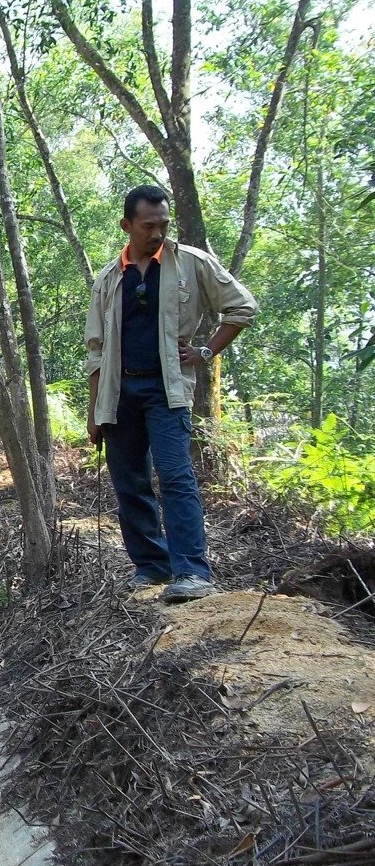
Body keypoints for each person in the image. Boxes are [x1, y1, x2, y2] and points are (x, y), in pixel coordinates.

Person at [85, 184, 258, 603]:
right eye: (148, 226)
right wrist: (94, 412)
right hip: (119, 391)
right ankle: (152, 566)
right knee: (130, 482)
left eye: (163, 224)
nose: (157, 233)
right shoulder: (109, 278)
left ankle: (193, 572)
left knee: (176, 477)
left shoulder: (192, 263)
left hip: (168, 390)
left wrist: (205, 351)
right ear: (127, 225)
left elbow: (242, 307)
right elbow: (95, 350)